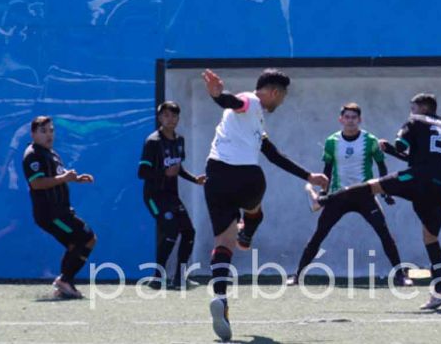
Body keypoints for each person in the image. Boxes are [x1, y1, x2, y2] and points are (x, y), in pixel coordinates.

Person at [201, 68, 328, 341]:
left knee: (223, 242)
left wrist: (309, 176)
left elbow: (273, 153)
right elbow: (234, 102)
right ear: (274, 92)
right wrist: (217, 95)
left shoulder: (255, 121)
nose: (280, 103)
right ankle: (247, 233)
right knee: (255, 214)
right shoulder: (251, 101)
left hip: (216, 177)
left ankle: (220, 296)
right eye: (281, 98)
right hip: (247, 177)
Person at [308, 93, 441, 310]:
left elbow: (402, 144)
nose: (411, 111)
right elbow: (424, 157)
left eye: (412, 107)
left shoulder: (416, 121)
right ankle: (440, 289)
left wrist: (392, 145)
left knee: (370, 187)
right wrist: (393, 152)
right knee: (430, 237)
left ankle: (323, 200)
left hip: (417, 178)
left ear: (422, 108)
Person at [288, 102, 412, 287]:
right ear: (341, 119)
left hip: (365, 196)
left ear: (360, 120)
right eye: (347, 117)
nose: (350, 121)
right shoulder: (332, 141)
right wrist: (323, 193)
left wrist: (386, 191)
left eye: (354, 117)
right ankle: (298, 276)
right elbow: (327, 170)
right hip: (339, 196)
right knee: (318, 235)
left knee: (384, 233)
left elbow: (381, 166)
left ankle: (400, 276)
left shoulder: (370, 140)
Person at [21, 116, 97, 299]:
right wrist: (64, 179)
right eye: (43, 131)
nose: (49, 135)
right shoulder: (33, 154)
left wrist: (75, 178)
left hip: (61, 211)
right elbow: (37, 183)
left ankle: (64, 283)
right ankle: (65, 280)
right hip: (51, 213)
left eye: (51, 130)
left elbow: (59, 175)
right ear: (33, 134)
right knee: (85, 237)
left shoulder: (51, 153)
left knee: (79, 243)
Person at [138, 101, 206, 289]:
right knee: (170, 231)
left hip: (171, 196)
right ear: (160, 118)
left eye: (174, 116)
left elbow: (177, 168)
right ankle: (157, 277)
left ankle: (179, 278)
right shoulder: (153, 142)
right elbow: (142, 172)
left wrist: (194, 179)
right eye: (166, 115)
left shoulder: (179, 140)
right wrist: (163, 173)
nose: (171, 119)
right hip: (154, 196)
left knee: (189, 232)